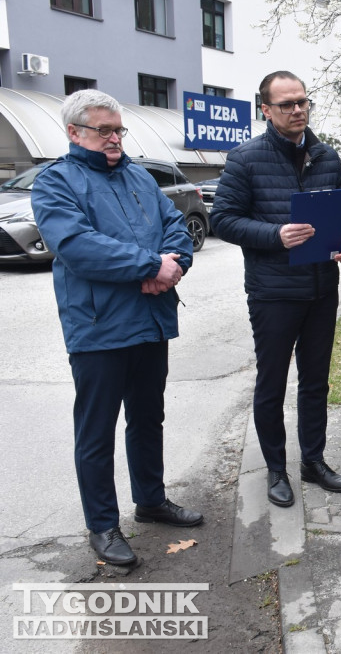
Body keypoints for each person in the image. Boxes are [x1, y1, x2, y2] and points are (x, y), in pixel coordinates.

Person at [32, 89, 203, 566]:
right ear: (74, 132)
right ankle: (103, 526)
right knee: (97, 430)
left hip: (150, 322)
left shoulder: (138, 176)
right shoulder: (55, 183)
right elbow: (77, 245)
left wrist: (173, 264)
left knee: (148, 418)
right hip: (98, 328)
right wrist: (151, 266)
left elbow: (176, 227)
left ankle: (150, 500)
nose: (114, 138)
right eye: (103, 130)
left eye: (118, 129)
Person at [212, 71, 341, 508]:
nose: (297, 110)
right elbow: (223, 220)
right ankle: (276, 469)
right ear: (266, 110)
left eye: (303, 102)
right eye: (287, 104)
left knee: (316, 382)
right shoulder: (245, 158)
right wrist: (276, 235)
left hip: (320, 288)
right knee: (272, 384)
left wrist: (340, 242)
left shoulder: (327, 155)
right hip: (273, 292)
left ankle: (313, 460)